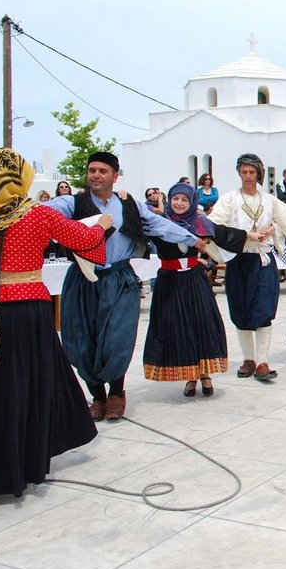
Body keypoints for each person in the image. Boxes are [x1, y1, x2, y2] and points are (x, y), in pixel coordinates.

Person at [0, 148, 108, 498]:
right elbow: (84, 241)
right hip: (28, 313)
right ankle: (22, 464)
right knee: (25, 385)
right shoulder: (37, 215)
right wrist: (102, 223)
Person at [45, 152, 201, 421]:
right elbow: (44, 213)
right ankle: (97, 396)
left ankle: (116, 393)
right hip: (82, 279)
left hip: (119, 279)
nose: (96, 175)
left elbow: (158, 224)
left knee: (117, 338)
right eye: (92, 170)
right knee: (83, 339)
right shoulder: (73, 203)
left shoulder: (131, 205)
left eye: (103, 171)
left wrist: (192, 238)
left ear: (115, 177)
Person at [208, 154, 286, 381]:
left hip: (263, 261)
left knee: (264, 310)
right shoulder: (229, 199)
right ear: (239, 173)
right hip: (240, 260)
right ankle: (248, 359)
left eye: (252, 172)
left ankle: (262, 361)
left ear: (259, 174)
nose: (248, 177)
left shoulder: (269, 201)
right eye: (244, 172)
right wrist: (245, 235)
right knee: (240, 310)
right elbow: (213, 225)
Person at [143, 183, 257, 396]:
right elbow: (134, 221)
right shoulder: (159, 224)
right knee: (178, 328)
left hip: (195, 281)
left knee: (201, 324)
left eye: (184, 200)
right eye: (175, 199)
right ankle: (190, 377)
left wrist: (248, 236)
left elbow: (224, 234)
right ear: (169, 200)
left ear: (192, 203)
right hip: (169, 283)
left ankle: (205, 375)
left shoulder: (200, 223)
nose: (179, 203)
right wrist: (122, 197)